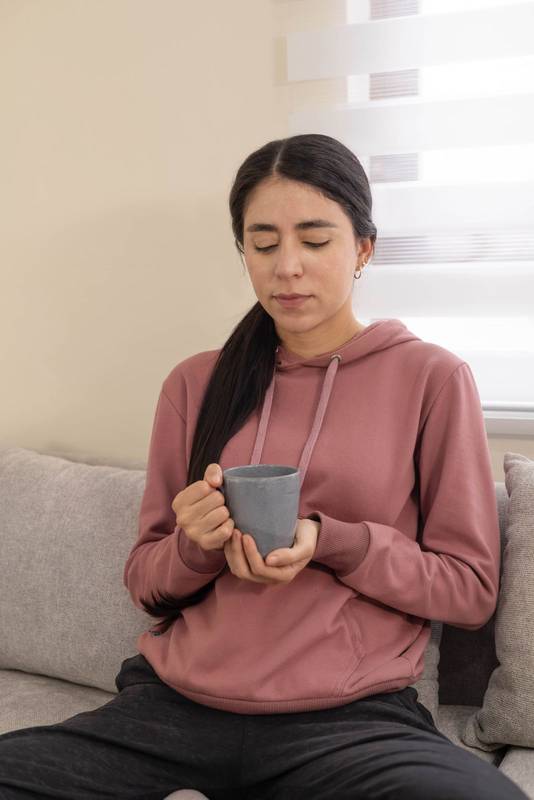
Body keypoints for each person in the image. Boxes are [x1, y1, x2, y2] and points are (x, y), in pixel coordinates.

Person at [0, 133, 527, 800]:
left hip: (351, 720)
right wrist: (195, 546)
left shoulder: (431, 378)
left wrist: (332, 540)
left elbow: (469, 591)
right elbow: (146, 582)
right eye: (264, 242)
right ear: (243, 251)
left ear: (364, 248)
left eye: (315, 239)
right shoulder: (197, 384)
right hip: (175, 709)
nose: (288, 267)